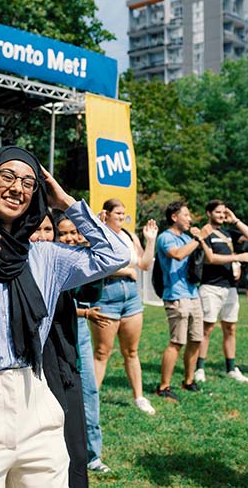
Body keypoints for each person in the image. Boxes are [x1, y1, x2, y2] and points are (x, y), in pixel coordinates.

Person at [0, 146, 129, 487]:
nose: (18, 188)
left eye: (29, 182)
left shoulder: (44, 256)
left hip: (37, 396)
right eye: (9, 176)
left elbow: (116, 254)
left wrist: (66, 204)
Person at [53, 210, 113, 475]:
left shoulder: (79, 260)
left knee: (88, 390)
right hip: (52, 332)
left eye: (73, 232)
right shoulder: (47, 260)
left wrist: (93, 246)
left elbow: (89, 293)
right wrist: (85, 312)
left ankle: (92, 454)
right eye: (63, 233)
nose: (69, 238)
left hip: (78, 330)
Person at [31, 213, 88, 488]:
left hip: (64, 361)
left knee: (74, 444)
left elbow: (112, 260)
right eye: (35, 230)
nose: (43, 237)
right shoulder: (18, 268)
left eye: (47, 229)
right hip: (35, 366)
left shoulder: (59, 266)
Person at [91, 198, 159, 416]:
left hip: (131, 299)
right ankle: (91, 400)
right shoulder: (100, 235)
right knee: (102, 352)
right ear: (107, 214)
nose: (122, 217)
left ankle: (139, 397)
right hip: (107, 296)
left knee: (131, 351)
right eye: (118, 213)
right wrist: (124, 271)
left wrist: (150, 241)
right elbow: (95, 265)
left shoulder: (129, 236)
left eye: (123, 213)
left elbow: (144, 265)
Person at [194, 200, 248, 385]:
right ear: (208, 213)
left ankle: (231, 369)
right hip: (210, 287)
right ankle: (199, 368)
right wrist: (237, 257)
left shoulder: (229, 233)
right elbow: (210, 258)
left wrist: (235, 220)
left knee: (230, 328)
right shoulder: (204, 233)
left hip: (230, 288)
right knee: (207, 329)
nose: (222, 215)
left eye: (224, 212)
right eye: (218, 212)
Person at [155, 200, 205, 401]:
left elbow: (206, 258)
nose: (190, 219)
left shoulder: (187, 237)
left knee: (196, 340)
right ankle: (164, 386)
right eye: (186, 215)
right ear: (174, 217)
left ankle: (188, 380)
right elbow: (177, 255)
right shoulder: (165, 238)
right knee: (177, 342)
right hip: (176, 296)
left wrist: (198, 240)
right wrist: (198, 239)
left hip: (194, 295)